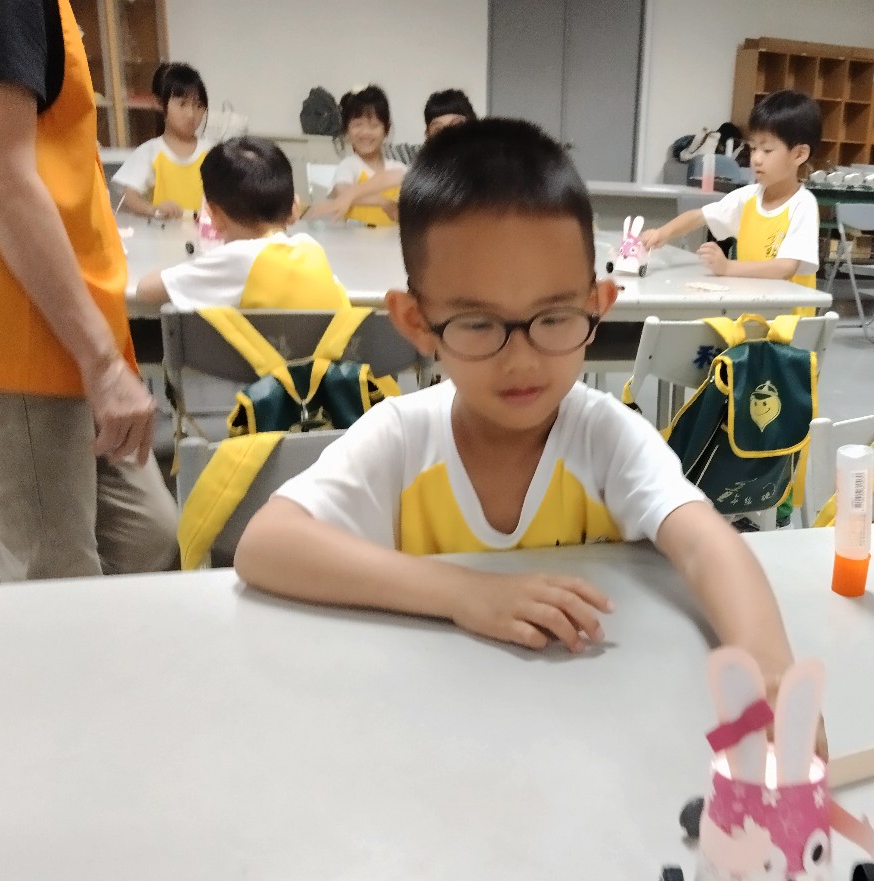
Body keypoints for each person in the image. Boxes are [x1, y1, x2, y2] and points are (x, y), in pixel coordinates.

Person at [233, 118, 796, 692]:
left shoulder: (606, 437)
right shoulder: (403, 437)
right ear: (416, 322)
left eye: (554, 318)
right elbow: (266, 545)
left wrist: (769, 669)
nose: (522, 361)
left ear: (598, 306)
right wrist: (463, 593)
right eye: (478, 324)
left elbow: (706, 546)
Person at [0, 0, 177, 580]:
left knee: (147, 534)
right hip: (20, 339)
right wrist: (101, 362)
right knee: (53, 574)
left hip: (68, 322)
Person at [639, 90, 820, 299]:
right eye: (753, 148)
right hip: (751, 305)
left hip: (786, 313)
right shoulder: (748, 197)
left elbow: (786, 267)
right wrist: (662, 233)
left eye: (767, 150)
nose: (756, 159)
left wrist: (728, 267)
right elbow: (699, 216)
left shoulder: (803, 205)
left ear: (799, 154)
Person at [136, 137, 348, 311]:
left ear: (214, 214)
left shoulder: (236, 259)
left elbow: (145, 290)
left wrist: (196, 263)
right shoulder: (311, 249)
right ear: (294, 208)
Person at [112, 62, 210, 219]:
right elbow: (129, 197)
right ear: (159, 103)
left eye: (198, 105)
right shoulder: (151, 151)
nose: (191, 114)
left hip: (203, 233)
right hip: (162, 232)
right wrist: (153, 210)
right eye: (182, 104)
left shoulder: (211, 153)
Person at [314, 84, 406, 226]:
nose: (365, 132)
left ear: (386, 130)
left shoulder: (398, 168)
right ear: (347, 130)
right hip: (354, 239)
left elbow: (399, 178)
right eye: (357, 125)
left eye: (374, 125)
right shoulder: (350, 165)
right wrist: (384, 202)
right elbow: (342, 192)